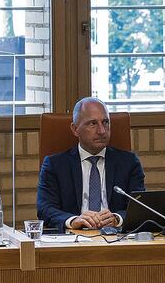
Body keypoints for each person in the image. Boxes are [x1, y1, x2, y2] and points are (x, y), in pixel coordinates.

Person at [37, 97, 146, 230]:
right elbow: (45, 209)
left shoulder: (129, 163)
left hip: (116, 237)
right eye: (92, 123)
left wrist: (117, 218)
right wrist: (73, 220)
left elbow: (139, 206)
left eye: (105, 122)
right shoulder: (55, 165)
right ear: (75, 129)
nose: (101, 131)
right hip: (74, 238)